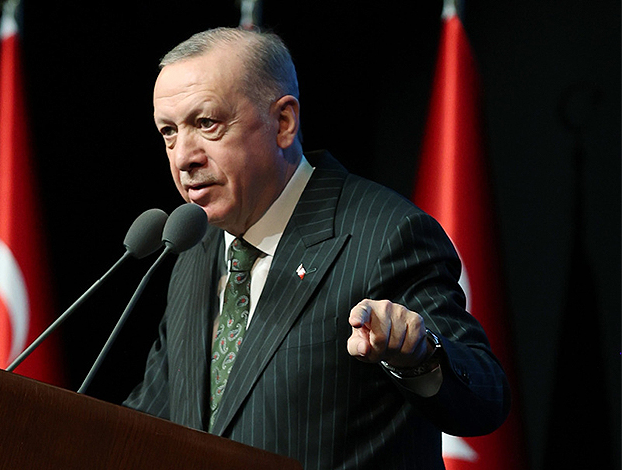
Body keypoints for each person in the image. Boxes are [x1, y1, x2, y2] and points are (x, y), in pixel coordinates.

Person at [123, 27, 510, 469]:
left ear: (284, 123)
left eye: (207, 124)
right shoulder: (195, 247)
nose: (183, 157)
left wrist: (419, 356)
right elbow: (153, 415)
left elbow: (485, 399)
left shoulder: (385, 234)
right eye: (169, 131)